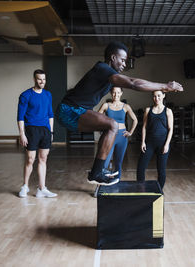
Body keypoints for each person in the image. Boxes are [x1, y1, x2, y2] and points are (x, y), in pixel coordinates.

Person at [56, 41, 183, 186]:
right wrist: (165, 86)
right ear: (112, 58)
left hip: (76, 111)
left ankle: (98, 171)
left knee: (110, 128)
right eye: (122, 60)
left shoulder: (110, 76)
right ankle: (96, 173)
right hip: (69, 110)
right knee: (112, 125)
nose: (124, 64)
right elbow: (133, 83)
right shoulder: (102, 68)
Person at [17, 69, 57, 198]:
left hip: (45, 130)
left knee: (43, 159)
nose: (42, 82)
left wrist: (51, 132)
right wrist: (22, 134)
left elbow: (50, 114)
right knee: (30, 159)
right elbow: (20, 116)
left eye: (44, 79)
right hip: (31, 130)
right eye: (40, 79)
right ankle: (25, 187)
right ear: (34, 79)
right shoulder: (25, 95)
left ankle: (42, 188)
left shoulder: (48, 95)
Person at [98, 87, 138, 180]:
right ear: (111, 93)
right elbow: (97, 119)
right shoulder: (105, 105)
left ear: (121, 93)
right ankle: (100, 184)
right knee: (105, 162)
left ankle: (117, 181)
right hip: (110, 136)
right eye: (114, 92)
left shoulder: (126, 106)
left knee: (118, 162)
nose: (116, 95)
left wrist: (130, 132)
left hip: (122, 137)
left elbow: (135, 120)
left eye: (118, 92)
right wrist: (103, 130)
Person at [136, 91, 173, 190]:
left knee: (161, 170)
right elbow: (144, 127)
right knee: (140, 167)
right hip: (149, 143)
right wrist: (143, 141)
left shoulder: (168, 111)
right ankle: (141, 189)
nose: (156, 98)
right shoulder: (148, 110)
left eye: (159, 96)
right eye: (154, 96)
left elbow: (170, 129)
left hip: (162, 144)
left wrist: (167, 144)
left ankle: (159, 191)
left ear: (164, 96)